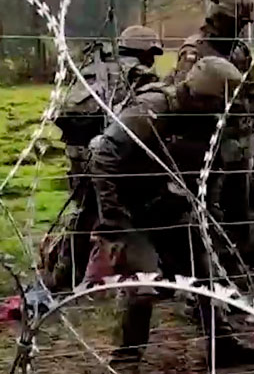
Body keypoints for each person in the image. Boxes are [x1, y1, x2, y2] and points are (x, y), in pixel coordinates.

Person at [87, 56, 254, 367]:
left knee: (205, 273)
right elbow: (103, 155)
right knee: (144, 281)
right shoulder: (154, 107)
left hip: (167, 206)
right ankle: (125, 360)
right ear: (200, 96)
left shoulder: (209, 120)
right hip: (128, 208)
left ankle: (221, 345)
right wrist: (112, 218)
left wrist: (207, 211)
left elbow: (212, 170)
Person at [170, 0, 254, 276]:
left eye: (242, 25)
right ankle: (212, 270)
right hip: (209, 146)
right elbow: (186, 99)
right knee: (210, 209)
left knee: (240, 208)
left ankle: (243, 259)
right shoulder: (195, 51)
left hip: (242, 143)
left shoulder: (240, 50)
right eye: (235, 23)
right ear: (217, 18)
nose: (239, 30)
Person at [41, 25, 164, 291]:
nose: (153, 59)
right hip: (108, 154)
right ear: (142, 52)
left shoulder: (91, 67)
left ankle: (64, 273)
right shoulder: (139, 76)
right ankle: (121, 277)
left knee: (84, 211)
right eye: (151, 53)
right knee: (117, 214)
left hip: (76, 151)